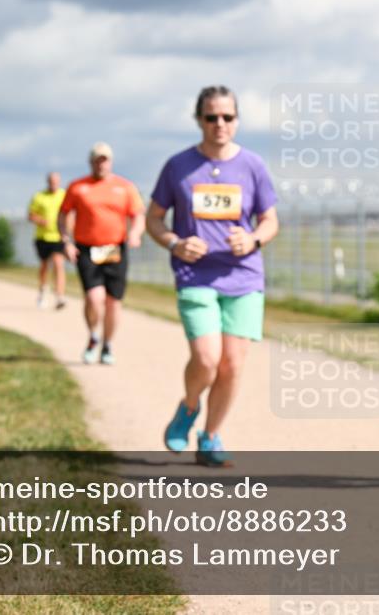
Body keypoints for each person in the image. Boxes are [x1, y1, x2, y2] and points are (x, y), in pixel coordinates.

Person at [146, 85, 279, 468]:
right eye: (211, 117)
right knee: (206, 358)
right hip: (195, 275)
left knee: (232, 364)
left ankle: (210, 436)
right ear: (199, 120)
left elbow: (270, 220)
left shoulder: (252, 166)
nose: (219, 124)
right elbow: (153, 218)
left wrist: (252, 239)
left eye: (227, 117)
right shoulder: (178, 167)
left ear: (237, 120)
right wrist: (174, 243)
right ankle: (189, 408)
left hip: (243, 278)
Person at [58, 143, 145, 365]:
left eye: (105, 159)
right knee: (94, 298)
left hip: (115, 248)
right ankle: (93, 336)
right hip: (87, 248)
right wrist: (67, 241)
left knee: (113, 302)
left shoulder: (125, 187)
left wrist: (135, 233)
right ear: (91, 162)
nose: (101, 164)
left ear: (111, 162)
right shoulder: (77, 187)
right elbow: (64, 214)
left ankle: (107, 343)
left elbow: (138, 215)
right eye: (97, 159)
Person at [28, 172, 68, 309]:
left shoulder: (64, 195)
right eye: (52, 181)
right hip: (42, 237)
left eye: (56, 181)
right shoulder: (39, 196)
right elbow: (30, 215)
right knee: (45, 266)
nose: (54, 184)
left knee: (59, 264)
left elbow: (70, 213)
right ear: (48, 182)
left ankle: (60, 296)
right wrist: (40, 220)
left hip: (58, 236)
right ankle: (43, 290)